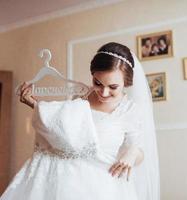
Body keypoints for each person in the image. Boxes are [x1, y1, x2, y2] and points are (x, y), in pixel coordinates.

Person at [1, 42, 160, 200]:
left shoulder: (129, 110)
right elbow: (59, 130)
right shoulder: (81, 97)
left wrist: (131, 155)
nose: (103, 93)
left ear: (126, 82)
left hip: (104, 186)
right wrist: (33, 103)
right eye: (97, 83)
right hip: (65, 182)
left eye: (113, 87)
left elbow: (137, 150)